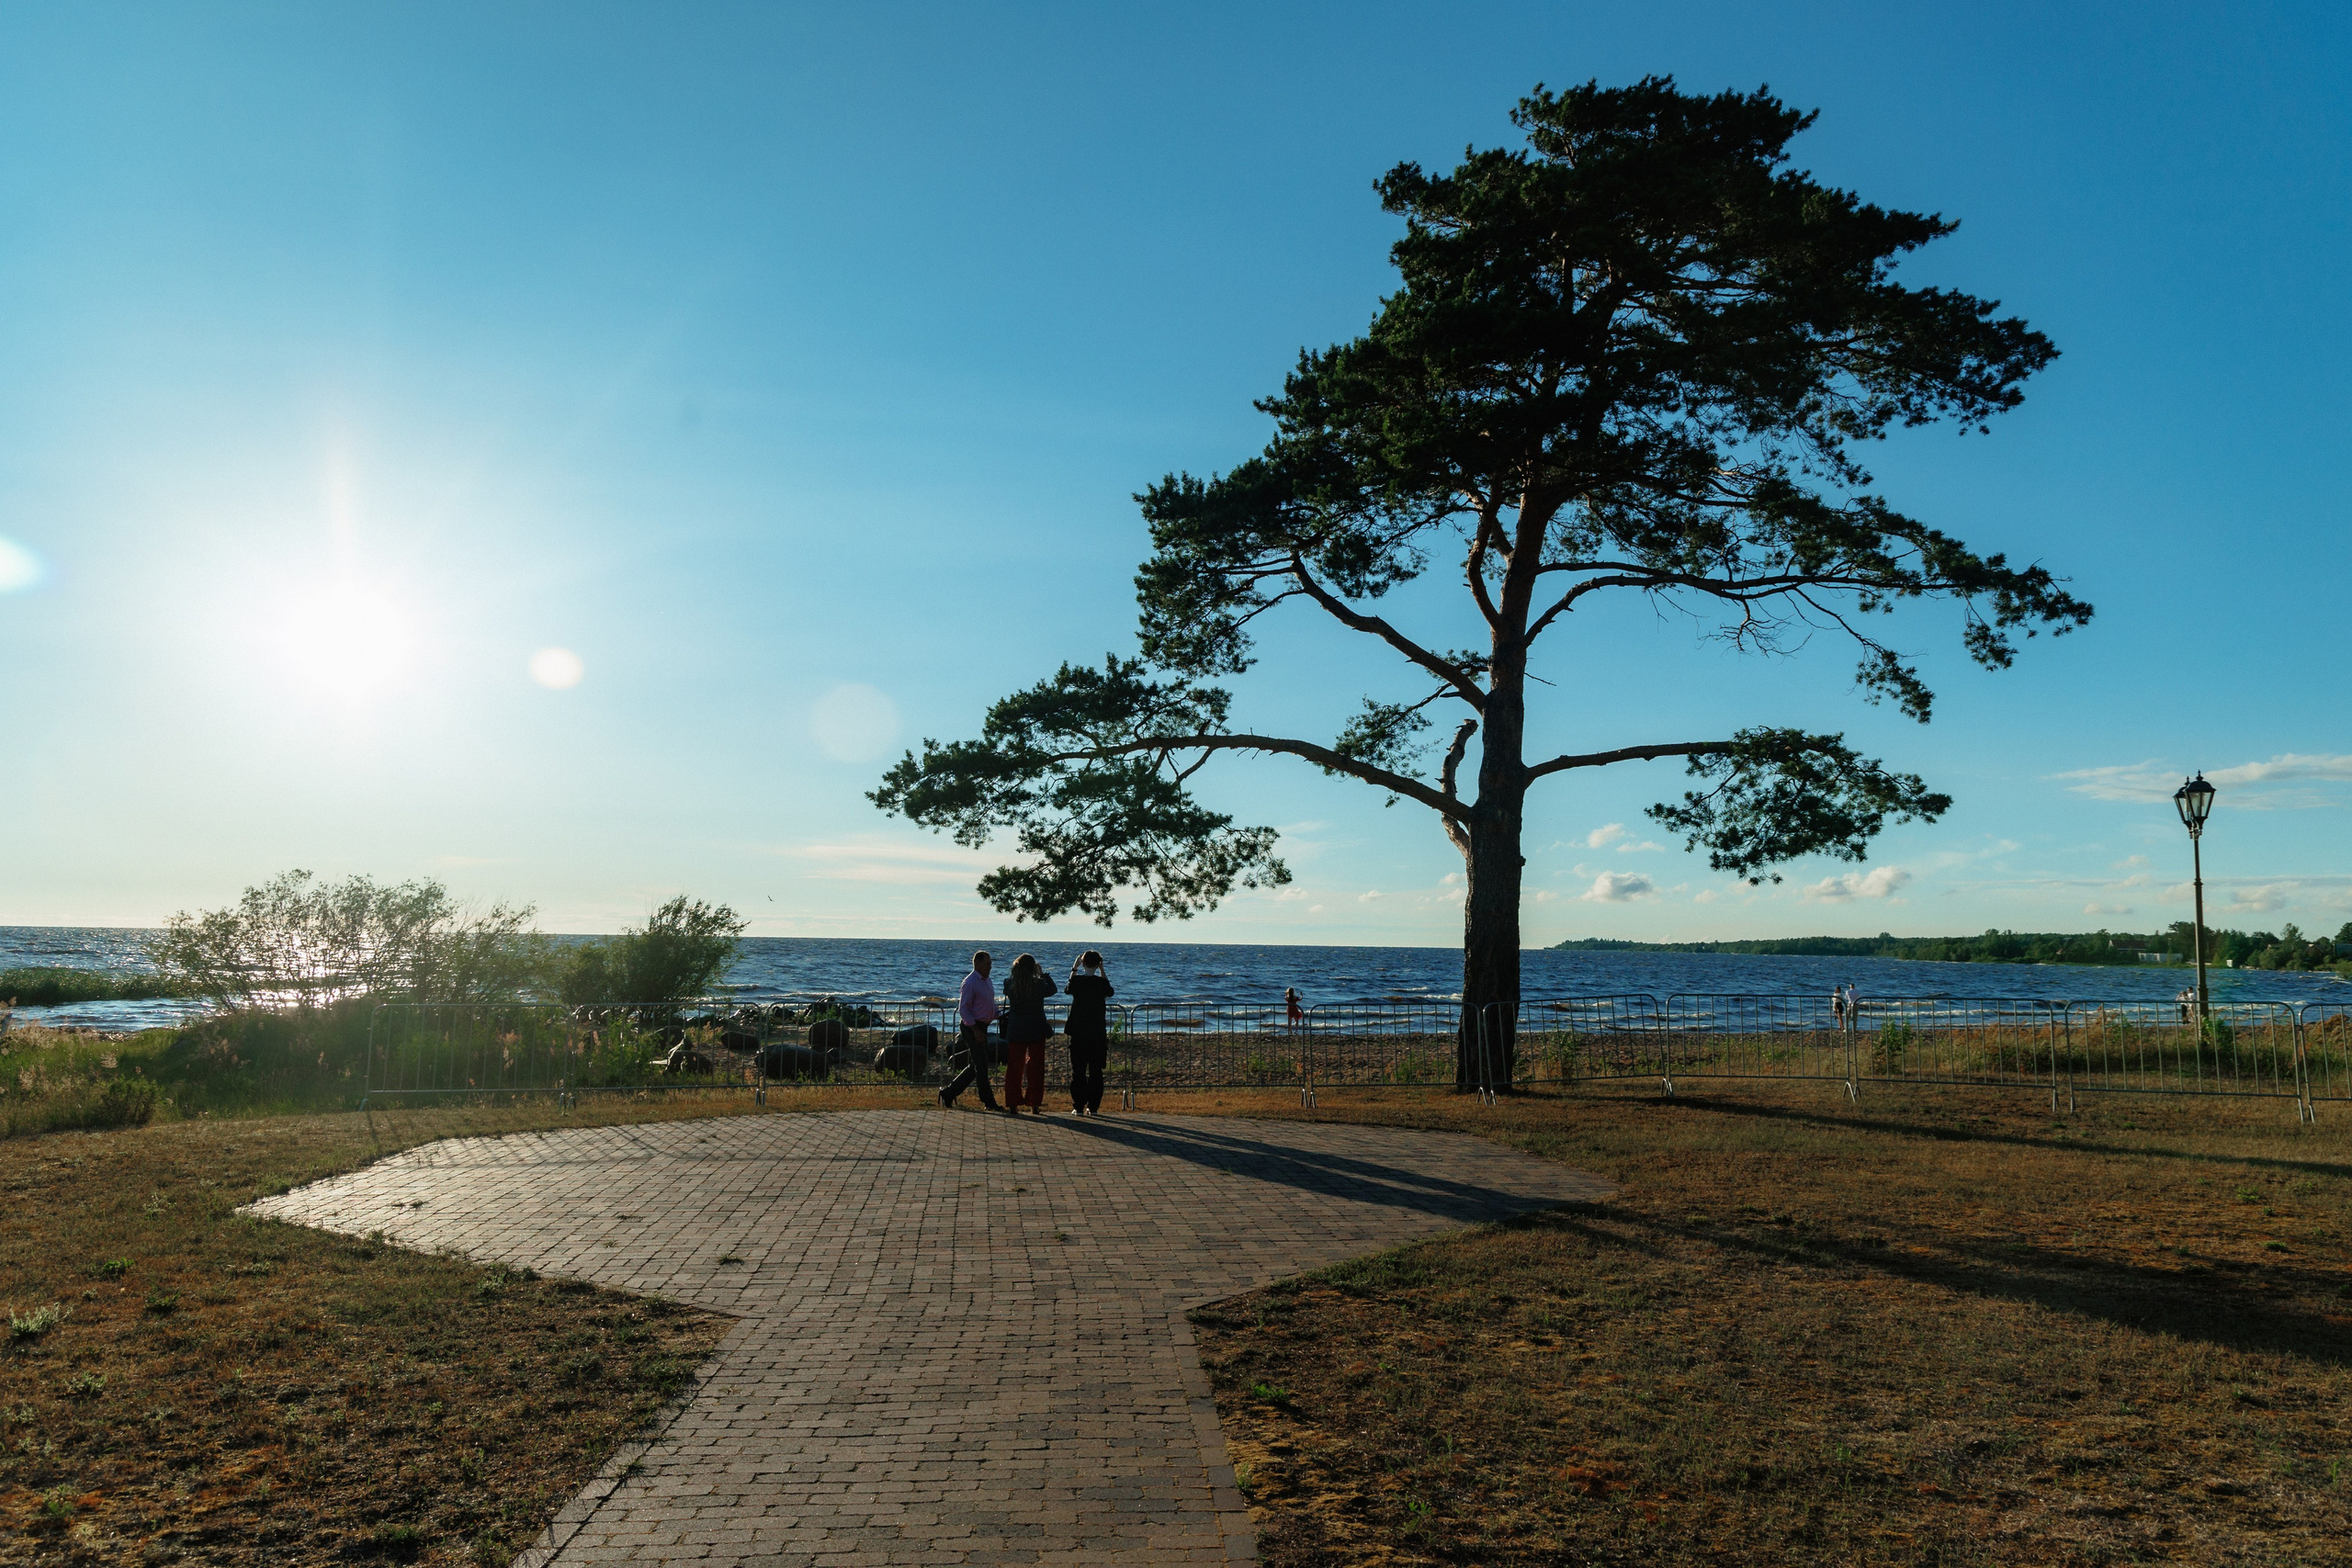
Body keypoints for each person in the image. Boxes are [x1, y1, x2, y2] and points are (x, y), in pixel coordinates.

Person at [939, 951, 1002, 1111]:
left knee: (977, 1065)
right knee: (981, 1066)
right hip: (972, 1027)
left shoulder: (987, 981)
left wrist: (998, 1014)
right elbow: (964, 1009)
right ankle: (989, 1102)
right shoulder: (970, 982)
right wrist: (975, 1030)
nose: (990, 966)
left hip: (982, 1026)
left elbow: (988, 1004)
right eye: (988, 964)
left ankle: (948, 1092)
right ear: (978, 964)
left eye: (990, 963)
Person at [1001, 953, 1057, 1113]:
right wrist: (1043, 974)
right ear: (1033, 967)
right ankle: (1034, 1102)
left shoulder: (1010, 983)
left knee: (1014, 1067)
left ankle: (1013, 1102)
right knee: (1036, 1067)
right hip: (1036, 1028)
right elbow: (1053, 989)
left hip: (1016, 1028)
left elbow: (1006, 990)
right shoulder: (1038, 984)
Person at [1065, 951, 1115, 1115]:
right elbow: (1110, 991)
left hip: (1079, 1031)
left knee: (1078, 1070)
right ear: (1097, 963)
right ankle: (1093, 1107)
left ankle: (1078, 1106)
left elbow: (1068, 989)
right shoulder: (1100, 984)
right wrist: (1102, 970)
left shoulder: (1078, 981)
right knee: (1095, 1071)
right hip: (1096, 1032)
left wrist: (1074, 968)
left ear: (1083, 963)